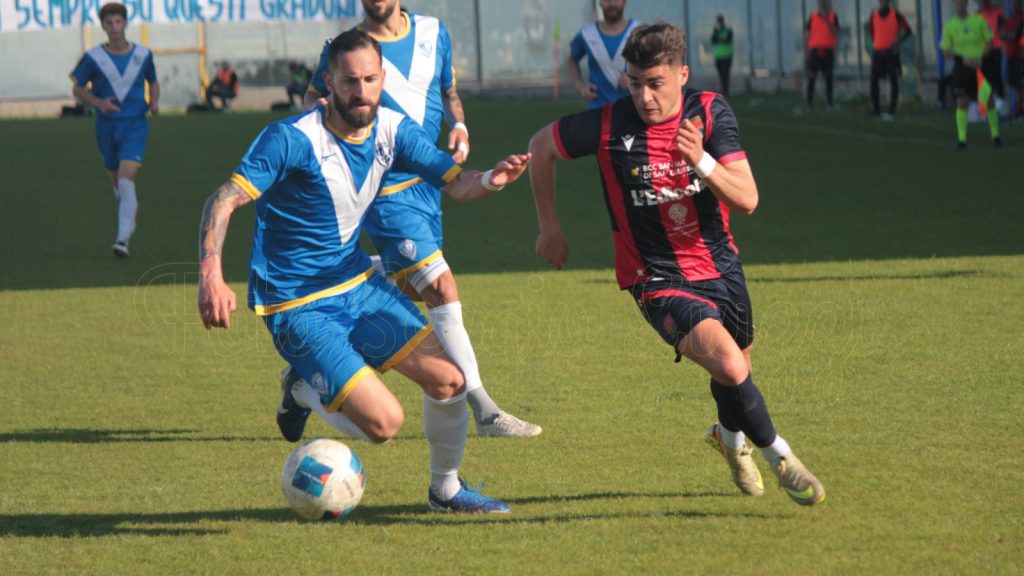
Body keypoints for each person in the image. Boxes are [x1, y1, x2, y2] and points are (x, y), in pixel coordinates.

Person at [198, 30, 531, 514]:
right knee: (384, 424)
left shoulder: (393, 130)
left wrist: (492, 180)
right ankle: (301, 388)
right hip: (296, 304)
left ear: (382, 78)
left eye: (370, 79)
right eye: (349, 81)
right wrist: (211, 273)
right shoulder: (291, 139)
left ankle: (446, 492)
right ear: (329, 82)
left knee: (450, 382)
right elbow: (224, 199)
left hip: (357, 286)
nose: (361, 91)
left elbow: (458, 184)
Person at [527, 22, 825, 506]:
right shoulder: (608, 125)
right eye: (634, 83)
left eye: (655, 83)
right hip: (655, 278)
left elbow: (748, 198)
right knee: (730, 364)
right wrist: (550, 229)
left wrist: (701, 160)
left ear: (682, 75)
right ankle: (782, 458)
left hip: (722, 267)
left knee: (737, 371)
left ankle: (729, 440)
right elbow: (541, 146)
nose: (643, 96)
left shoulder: (709, 112)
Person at [303, 0, 542, 438]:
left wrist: (460, 126)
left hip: (430, 179)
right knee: (440, 284)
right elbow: (313, 96)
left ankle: (318, 341)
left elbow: (448, 91)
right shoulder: (348, 50)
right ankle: (485, 410)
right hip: (384, 188)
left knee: (415, 286)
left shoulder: (434, 32)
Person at [70, 2, 158, 259]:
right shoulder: (94, 57)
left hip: (135, 124)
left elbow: (153, 81)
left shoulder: (143, 54)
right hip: (106, 127)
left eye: (118, 22)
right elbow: (77, 89)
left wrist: (153, 101)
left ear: (125, 23)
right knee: (119, 185)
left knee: (126, 178)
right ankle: (129, 214)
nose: (114, 27)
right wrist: (98, 103)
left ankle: (122, 240)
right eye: (109, 23)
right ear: (103, 26)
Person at [942, 0, 1000, 148]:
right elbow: (946, 51)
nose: (960, 6)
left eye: (962, 3)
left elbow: (989, 41)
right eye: (957, 3)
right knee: (962, 101)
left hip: (981, 66)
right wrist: (962, 59)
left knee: (988, 99)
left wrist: (981, 57)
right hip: (962, 68)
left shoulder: (979, 20)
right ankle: (962, 139)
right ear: (954, 5)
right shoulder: (949, 25)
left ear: (967, 4)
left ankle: (995, 135)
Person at [567, 0, 639, 108]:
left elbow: (654, 66)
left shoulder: (639, 32)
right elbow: (572, 61)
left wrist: (636, 81)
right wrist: (580, 85)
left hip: (632, 109)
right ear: (600, 2)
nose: (612, 4)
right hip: (597, 110)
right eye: (607, 0)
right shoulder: (587, 34)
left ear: (625, 1)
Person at [866, 0, 913, 120]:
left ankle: (891, 110)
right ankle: (876, 109)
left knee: (893, 80)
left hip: (891, 53)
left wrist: (898, 40)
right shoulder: (874, 15)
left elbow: (908, 30)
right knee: (874, 80)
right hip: (878, 52)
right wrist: (878, 41)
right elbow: (870, 30)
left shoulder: (895, 15)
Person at [805, 0, 839, 112]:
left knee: (828, 77)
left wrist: (827, 21)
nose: (822, 3)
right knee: (811, 77)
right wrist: (807, 52)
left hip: (827, 50)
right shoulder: (812, 16)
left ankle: (829, 104)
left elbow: (836, 32)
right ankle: (809, 105)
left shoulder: (833, 16)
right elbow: (807, 34)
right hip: (815, 51)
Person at [978, 0, 1007, 102]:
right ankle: (985, 102)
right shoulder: (977, 14)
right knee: (983, 79)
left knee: (997, 78)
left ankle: (1000, 101)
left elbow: (1003, 30)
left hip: (995, 50)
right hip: (982, 52)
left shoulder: (997, 13)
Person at [1002, 0, 1023, 118]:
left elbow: (1017, 35)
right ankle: (1019, 110)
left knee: (1020, 84)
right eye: (1013, 4)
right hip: (1011, 56)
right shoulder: (1010, 19)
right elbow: (1003, 34)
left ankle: (1020, 109)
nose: (1014, 6)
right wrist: (1010, 34)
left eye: (1016, 4)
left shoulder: (1022, 18)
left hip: (1020, 56)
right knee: (1016, 85)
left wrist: (1010, 35)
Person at [710, 15, 734, 97]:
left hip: (727, 56)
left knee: (726, 73)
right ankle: (723, 90)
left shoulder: (728, 31)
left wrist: (719, 38)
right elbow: (713, 40)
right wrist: (716, 32)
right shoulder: (716, 32)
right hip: (718, 56)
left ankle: (726, 90)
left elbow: (728, 39)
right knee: (721, 74)